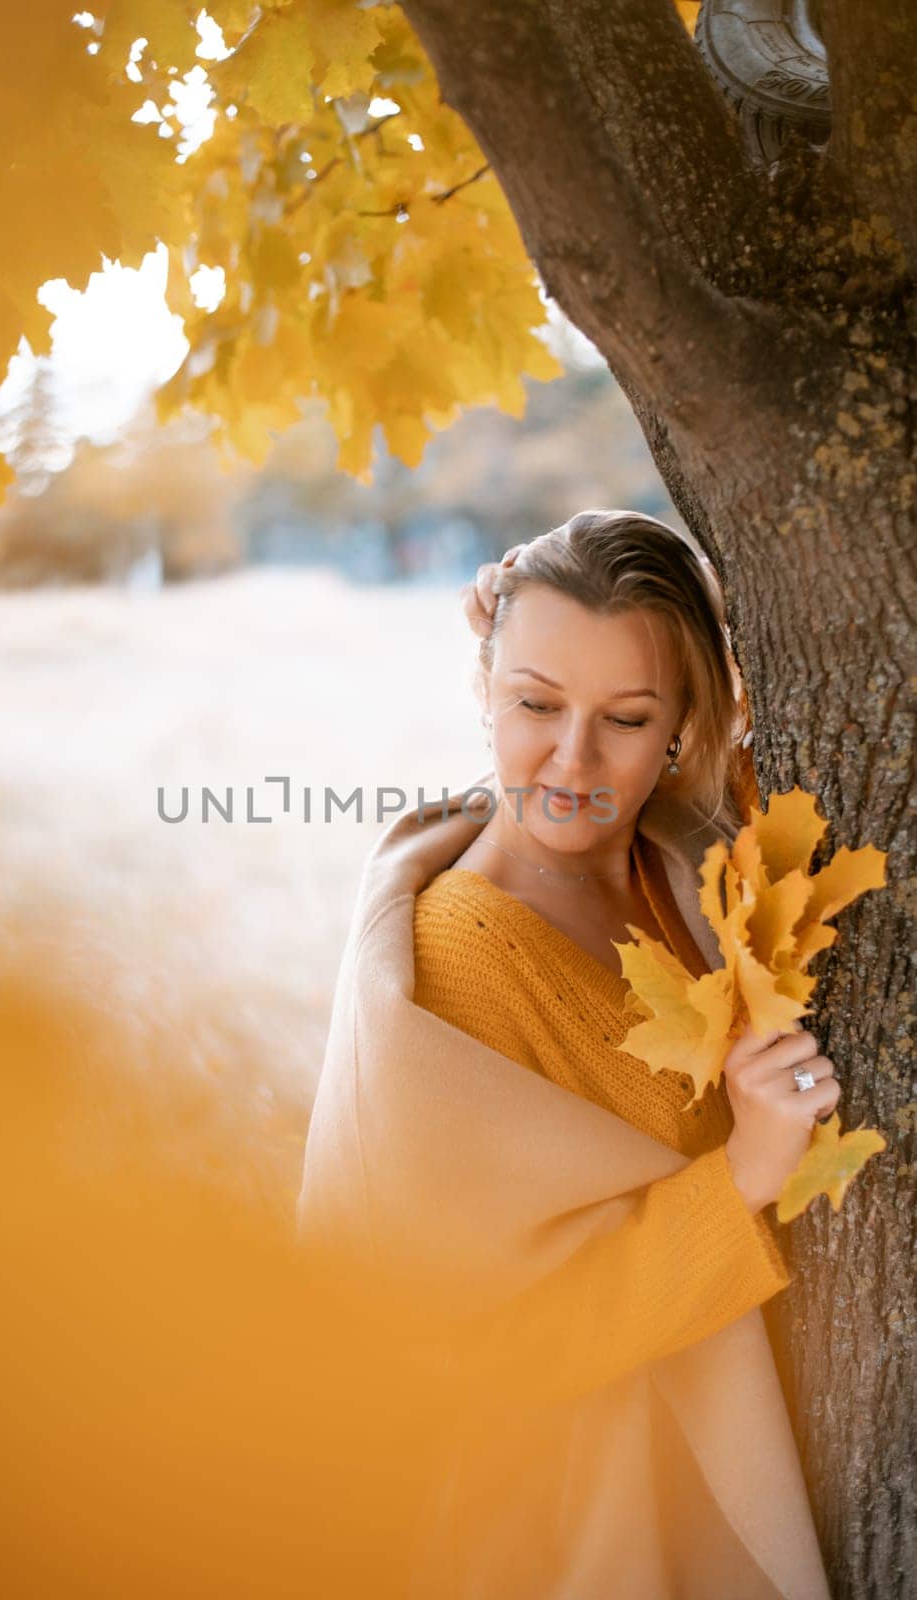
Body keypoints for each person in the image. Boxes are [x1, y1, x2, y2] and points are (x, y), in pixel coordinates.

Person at [297, 510, 836, 1598]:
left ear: (684, 722)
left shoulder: (685, 855)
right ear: (482, 690)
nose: (573, 761)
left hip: (742, 1446)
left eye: (626, 718)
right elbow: (486, 1338)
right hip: (582, 1527)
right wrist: (741, 1178)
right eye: (532, 704)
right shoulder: (457, 953)